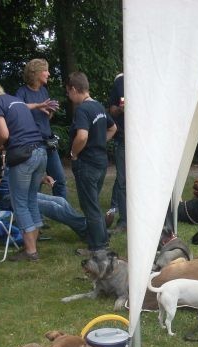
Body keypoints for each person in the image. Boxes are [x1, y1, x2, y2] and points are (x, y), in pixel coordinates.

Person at [0, 78, 46, 262]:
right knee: (31, 200)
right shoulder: (16, 101)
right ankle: (32, 246)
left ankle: (30, 251)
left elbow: (4, 134)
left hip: (23, 156)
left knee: (20, 203)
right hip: (40, 151)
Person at [0, 123, 88, 241]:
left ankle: (85, 227)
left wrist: (41, 179)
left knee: (61, 201)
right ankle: (87, 229)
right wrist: (0, 159)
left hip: (19, 192)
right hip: (6, 197)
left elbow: (20, 175)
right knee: (53, 206)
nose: (4, 136)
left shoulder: (6, 152)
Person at [66, 72, 117, 253]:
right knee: (93, 202)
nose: (68, 97)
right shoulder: (98, 106)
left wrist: (73, 153)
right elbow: (113, 128)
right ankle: (102, 237)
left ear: (74, 89)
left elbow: (82, 136)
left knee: (90, 206)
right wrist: (99, 141)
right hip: (101, 160)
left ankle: (98, 247)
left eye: (68, 92)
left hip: (87, 163)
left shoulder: (82, 110)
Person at [15, 59, 66, 198]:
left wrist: (50, 111)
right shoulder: (22, 92)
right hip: (33, 144)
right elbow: (17, 108)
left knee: (60, 180)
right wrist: (38, 105)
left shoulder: (44, 91)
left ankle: (63, 209)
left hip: (48, 142)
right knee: (36, 183)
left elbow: (45, 117)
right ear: (36, 73)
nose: (48, 74)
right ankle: (36, 209)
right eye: (45, 70)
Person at [106, 73, 126, 232]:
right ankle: (124, 221)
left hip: (146, 141)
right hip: (123, 139)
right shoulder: (120, 82)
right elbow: (111, 109)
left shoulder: (151, 78)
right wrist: (120, 109)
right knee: (122, 181)